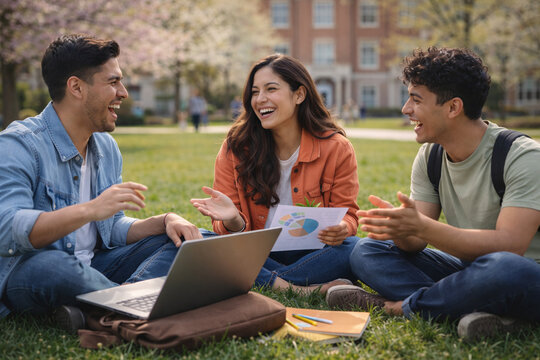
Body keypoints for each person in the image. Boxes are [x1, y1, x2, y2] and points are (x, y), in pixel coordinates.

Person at [326, 47, 540, 341]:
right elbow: (415, 243)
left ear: (453, 108)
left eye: (416, 99)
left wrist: (423, 226)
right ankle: (480, 313)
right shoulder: (431, 156)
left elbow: (510, 245)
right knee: (366, 251)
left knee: (504, 267)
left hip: (523, 275)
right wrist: (402, 229)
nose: (406, 109)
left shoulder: (522, 156)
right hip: (470, 271)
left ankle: (398, 308)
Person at [0, 34, 203, 330]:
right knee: (55, 268)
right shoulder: (19, 145)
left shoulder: (105, 148)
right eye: (113, 82)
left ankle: (104, 307)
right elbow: (7, 229)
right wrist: (90, 209)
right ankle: (135, 303)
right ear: (76, 87)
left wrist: (163, 221)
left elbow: (110, 229)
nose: (123, 92)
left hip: (95, 264)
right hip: (30, 271)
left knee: (181, 242)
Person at [191, 54, 360, 294]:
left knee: (356, 249)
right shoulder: (236, 146)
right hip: (255, 250)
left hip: (313, 252)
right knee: (197, 241)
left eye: (271, 89)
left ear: (299, 94)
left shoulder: (336, 147)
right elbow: (229, 234)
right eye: (255, 92)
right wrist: (233, 221)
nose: (260, 99)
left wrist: (343, 227)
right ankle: (301, 288)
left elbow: (349, 213)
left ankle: (261, 280)